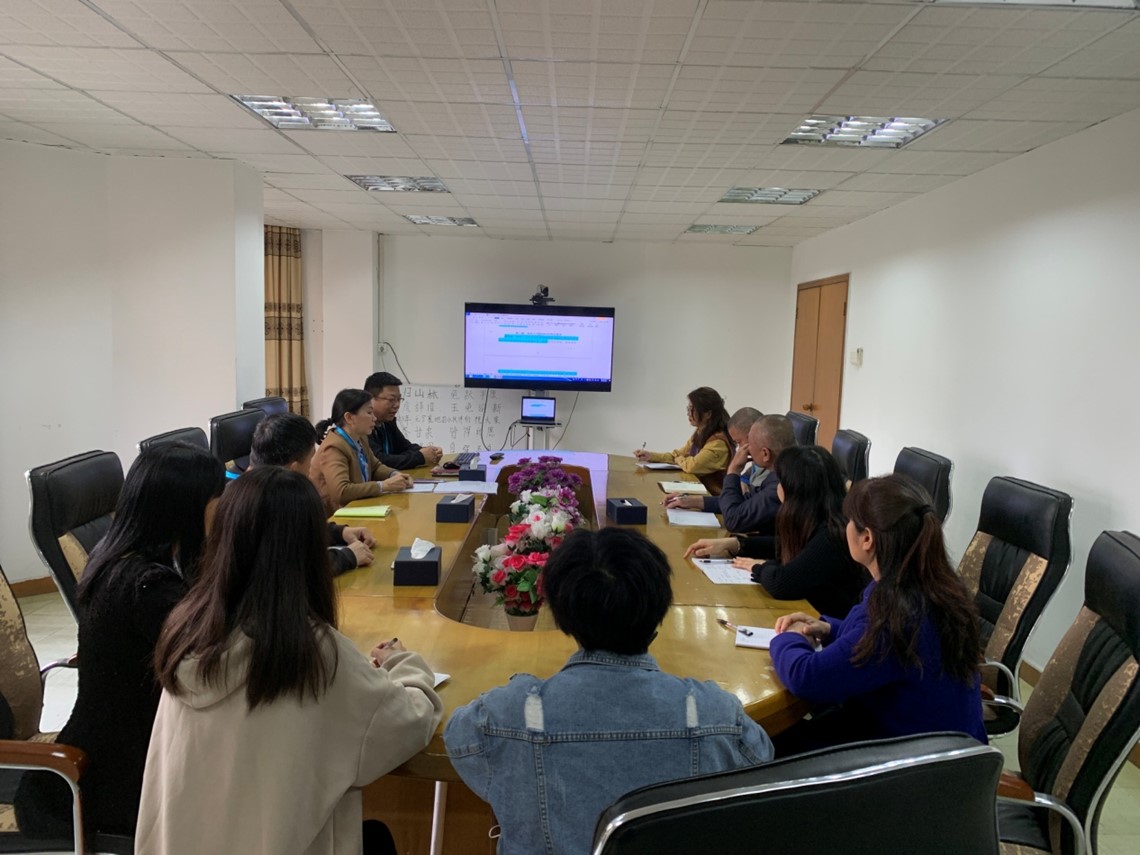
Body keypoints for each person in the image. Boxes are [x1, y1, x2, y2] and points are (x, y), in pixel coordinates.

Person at [136, 467, 443, 855]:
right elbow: (409, 724)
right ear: (310, 551)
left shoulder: (187, 631)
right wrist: (405, 665)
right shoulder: (311, 654)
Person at [445, 527, 773, 855]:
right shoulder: (716, 714)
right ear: (658, 609)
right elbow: (760, 764)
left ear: (561, 615)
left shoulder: (507, 713)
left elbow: (458, 740)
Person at [13, 443, 226, 839]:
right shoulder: (146, 587)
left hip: (129, 747)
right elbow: (221, 665)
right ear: (185, 508)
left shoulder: (119, 559)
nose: (224, 509)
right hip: (115, 781)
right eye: (218, 498)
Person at [769, 474, 986, 755]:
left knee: (766, 748)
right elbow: (881, 649)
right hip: (943, 748)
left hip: (912, 765)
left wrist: (787, 638)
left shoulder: (894, 615)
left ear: (867, 538)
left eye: (849, 521)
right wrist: (831, 629)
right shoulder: (929, 585)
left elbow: (806, 678)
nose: (845, 527)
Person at [684, 446, 869, 619]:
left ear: (795, 490)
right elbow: (787, 546)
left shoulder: (831, 535)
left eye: (780, 481)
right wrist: (736, 544)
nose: (777, 487)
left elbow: (782, 583)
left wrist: (759, 567)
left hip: (829, 623)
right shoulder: (822, 516)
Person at [251, 412, 376, 575]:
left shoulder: (246, 487)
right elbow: (297, 565)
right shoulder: (281, 499)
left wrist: (340, 533)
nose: (311, 469)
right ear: (293, 468)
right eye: (311, 458)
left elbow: (300, 531)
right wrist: (348, 556)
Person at [665, 413, 795, 535]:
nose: (744, 449)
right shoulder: (780, 473)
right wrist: (694, 501)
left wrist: (733, 470)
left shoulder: (782, 483)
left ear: (765, 454)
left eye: (749, 444)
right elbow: (746, 503)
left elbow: (734, 520)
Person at [311, 388, 413, 514]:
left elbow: (375, 466)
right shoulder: (333, 447)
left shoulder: (361, 437)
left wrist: (395, 475)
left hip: (358, 507)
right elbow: (341, 491)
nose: (374, 418)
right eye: (369, 413)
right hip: (336, 516)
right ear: (349, 417)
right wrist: (383, 486)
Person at [634, 387, 734, 495]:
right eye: (688, 408)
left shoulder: (718, 443)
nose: (688, 413)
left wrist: (679, 459)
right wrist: (651, 456)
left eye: (692, 409)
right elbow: (678, 455)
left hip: (712, 497)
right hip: (697, 491)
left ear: (708, 414)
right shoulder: (700, 432)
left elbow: (692, 466)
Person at [363, 371, 442, 469]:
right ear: (371, 399)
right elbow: (379, 460)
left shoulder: (387, 422)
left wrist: (429, 451)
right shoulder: (362, 426)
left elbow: (404, 447)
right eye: (391, 400)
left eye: (399, 399)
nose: (397, 405)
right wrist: (420, 457)